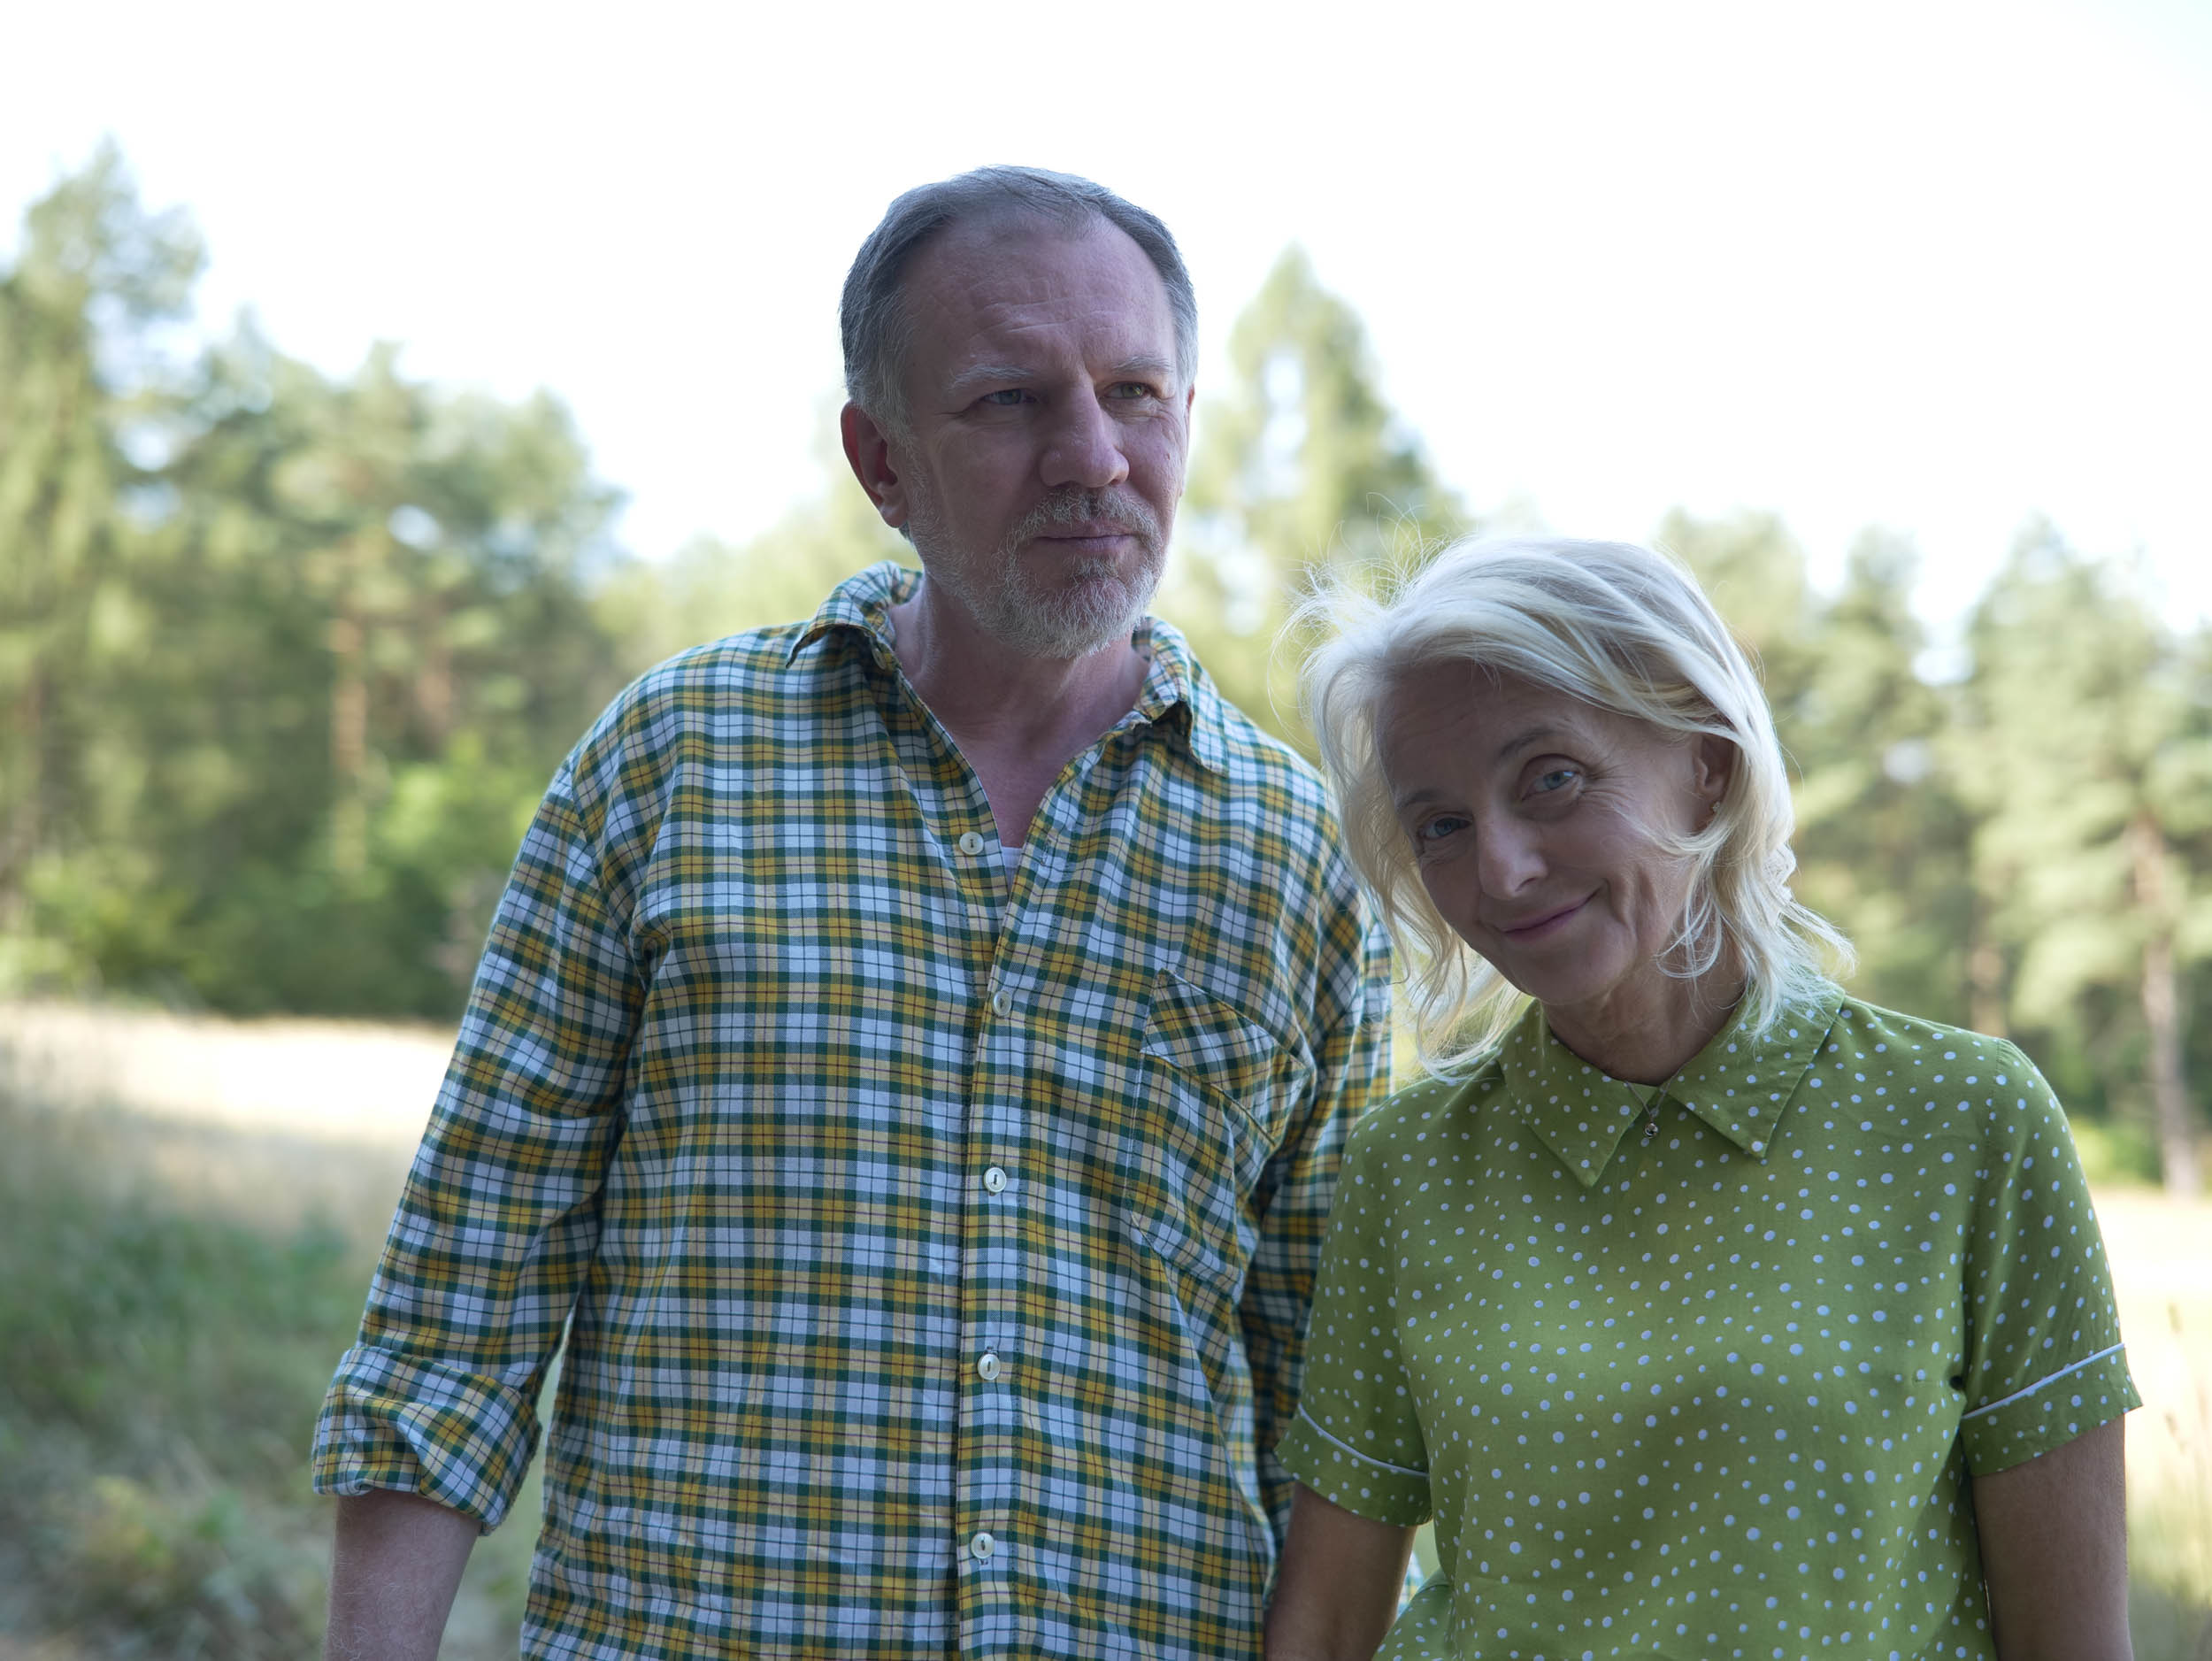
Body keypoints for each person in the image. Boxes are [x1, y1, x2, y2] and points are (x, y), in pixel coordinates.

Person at [311, 166, 1392, 1661]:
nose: (1093, 455)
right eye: (1010, 400)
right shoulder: (673, 764)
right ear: (882, 461)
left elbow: (1334, 1428)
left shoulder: (1297, 856)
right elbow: (452, 1323)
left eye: (1137, 393)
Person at [1263, 537, 2138, 1661]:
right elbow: (1329, 1620)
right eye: (1441, 824)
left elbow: (2071, 1637)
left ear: (1708, 760)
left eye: (1550, 778)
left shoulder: (1967, 1119)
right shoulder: (1408, 1161)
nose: (1501, 868)